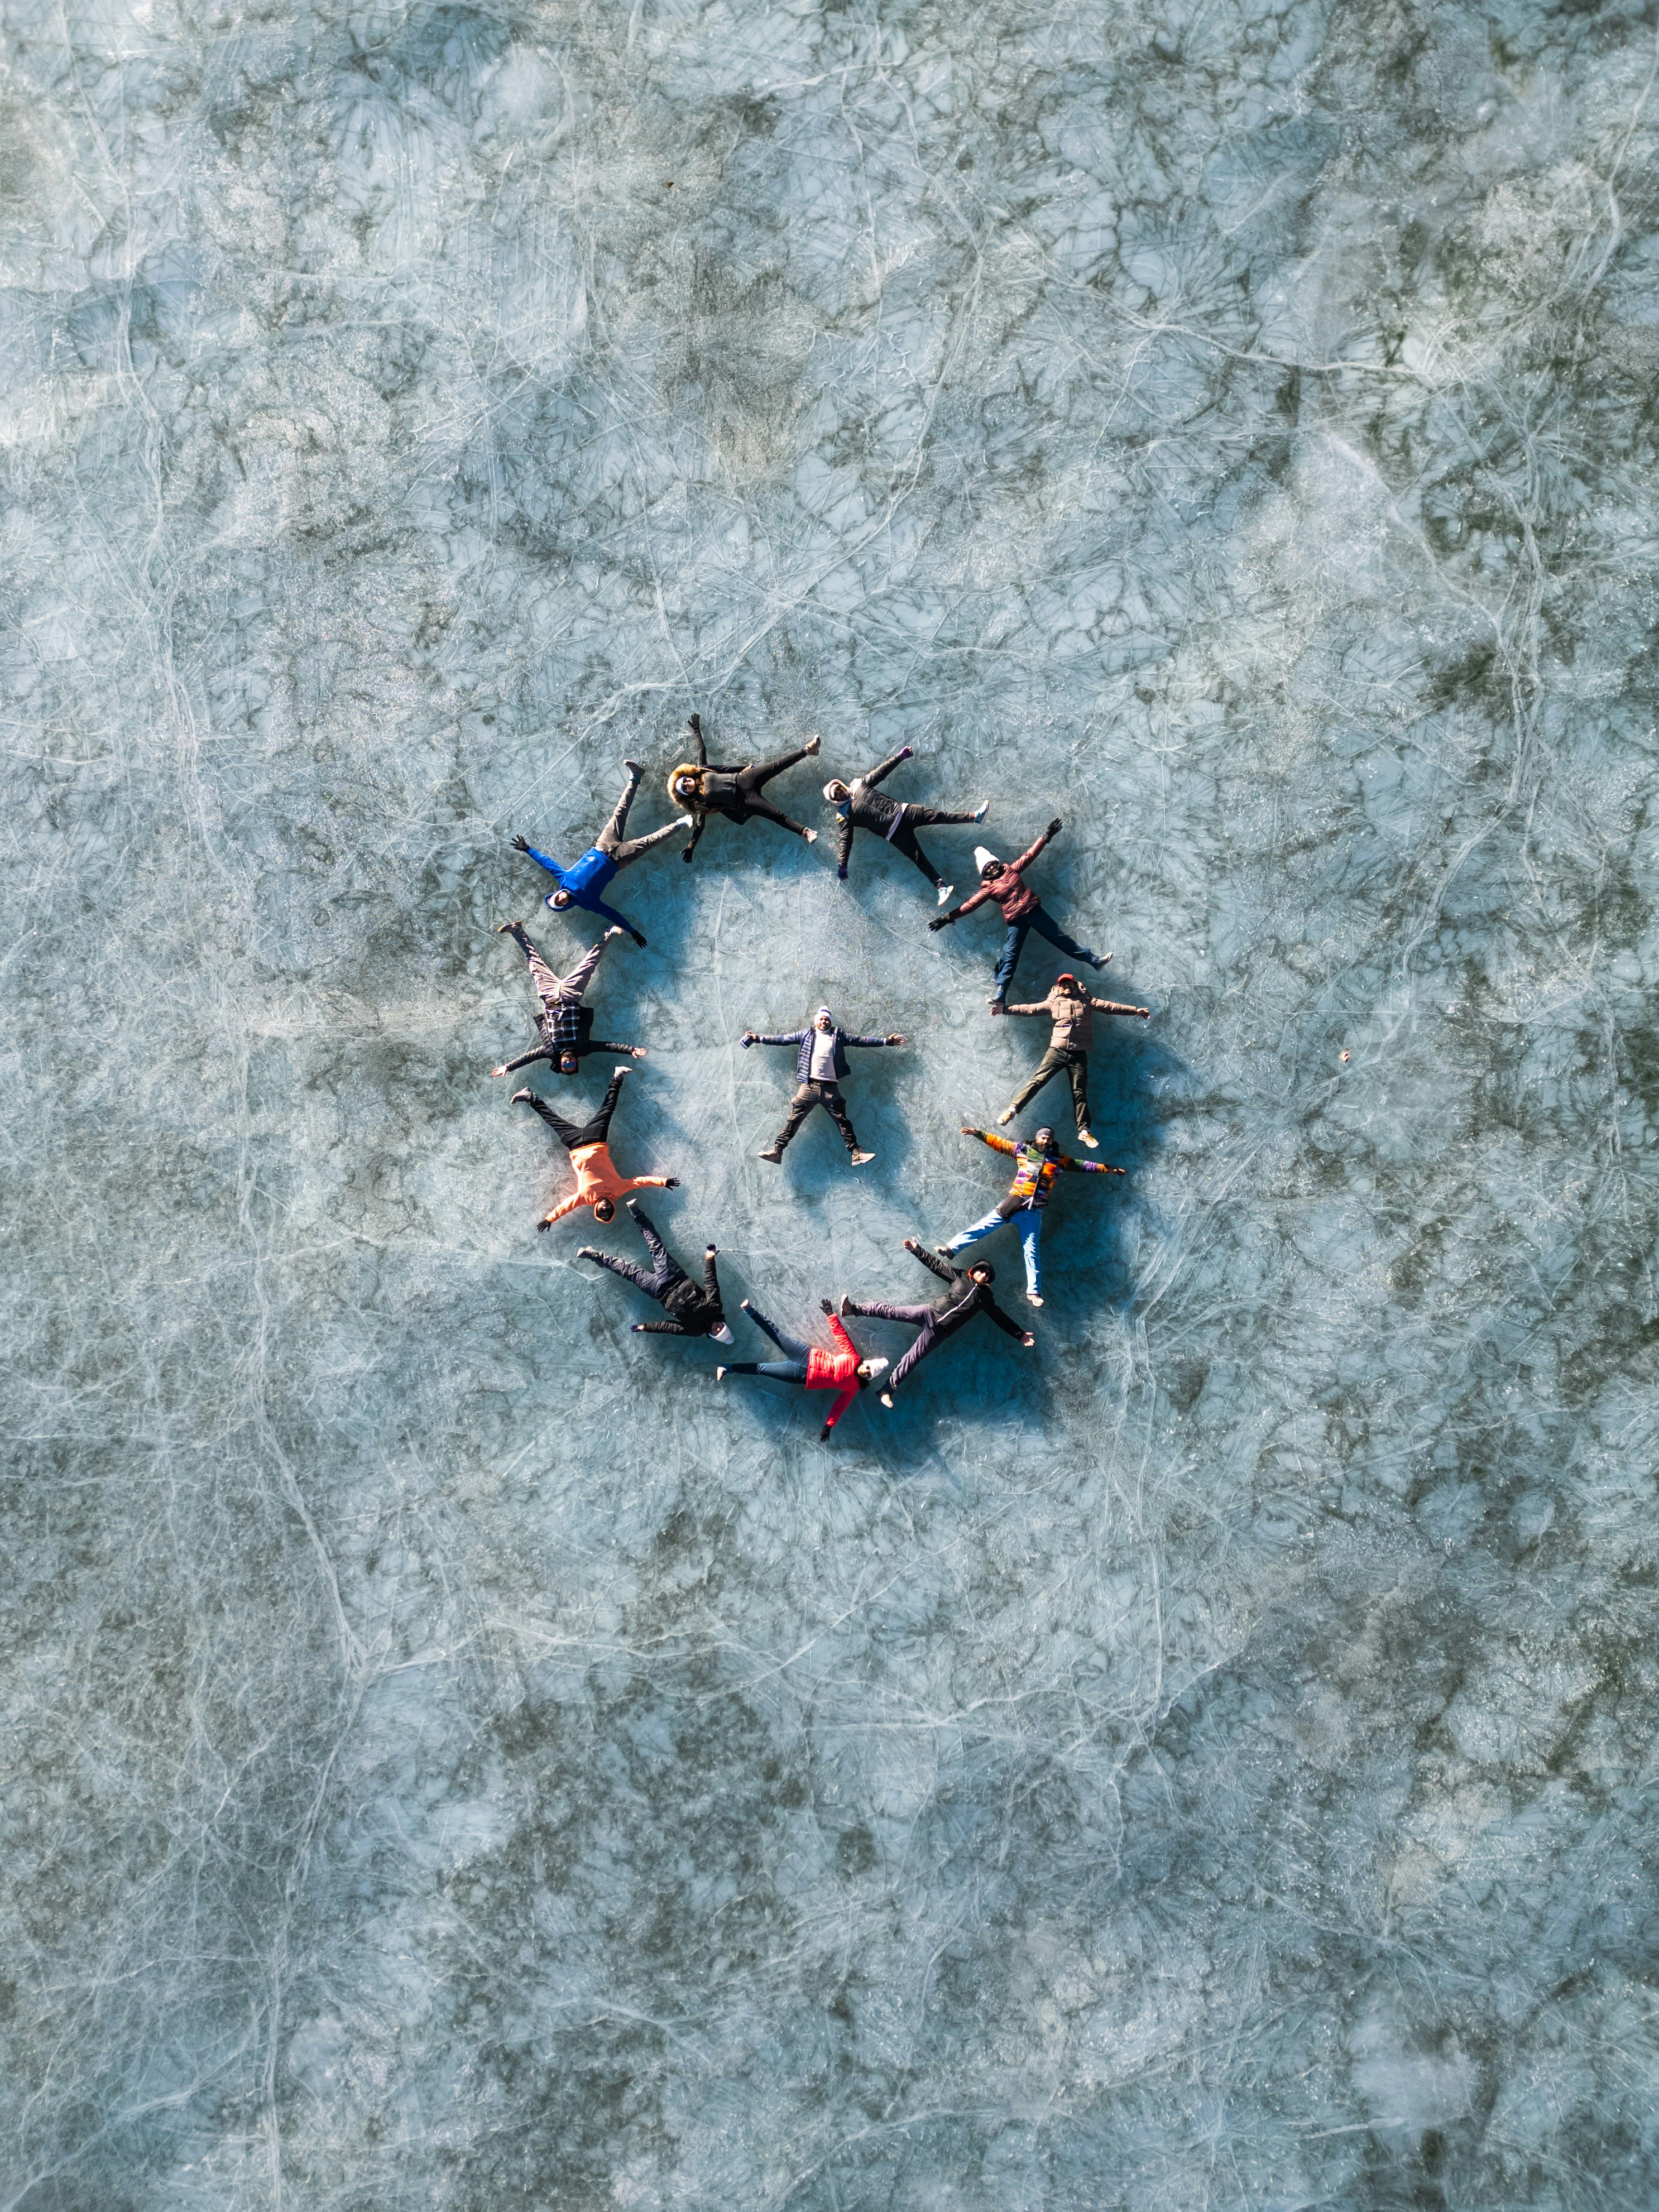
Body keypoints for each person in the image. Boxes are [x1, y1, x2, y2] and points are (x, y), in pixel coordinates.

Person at [928, 820, 1108, 1008]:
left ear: (996, 862)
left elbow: (1030, 855)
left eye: (992, 864)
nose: (991, 868)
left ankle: (1093, 960)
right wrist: (947, 918)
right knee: (1010, 954)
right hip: (1016, 921)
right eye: (986, 868)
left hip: (1034, 911)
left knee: (1061, 939)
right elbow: (970, 905)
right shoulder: (988, 889)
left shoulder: (1012, 870)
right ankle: (1001, 992)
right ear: (984, 873)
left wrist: (1046, 836)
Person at [512, 761, 691, 945]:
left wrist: (528, 850)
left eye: (557, 899)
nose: (561, 900)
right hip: (618, 859)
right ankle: (679, 824)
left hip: (602, 845)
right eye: (562, 904)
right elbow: (612, 914)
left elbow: (546, 863)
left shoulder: (563, 879)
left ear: (556, 894)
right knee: (649, 842)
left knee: (620, 812)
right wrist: (633, 931)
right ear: (566, 906)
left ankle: (636, 777)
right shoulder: (587, 903)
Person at [941, 1125, 1122, 1306]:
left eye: (1049, 1139)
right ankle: (951, 1248)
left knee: (1032, 1251)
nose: (1046, 1141)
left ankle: (1034, 1292)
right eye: (1043, 1138)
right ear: (1037, 1138)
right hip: (1013, 1204)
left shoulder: (1059, 1160)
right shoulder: (1023, 1150)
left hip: (1034, 1213)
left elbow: (1084, 1166)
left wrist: (1108, 1169)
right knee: (982, 1227)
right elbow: (999, 1143)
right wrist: (978, 1134)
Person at [841, 1240, 1033, 1406]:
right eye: (982, 1271)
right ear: (975, 1270)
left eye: (987, 1275)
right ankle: (853, 1310)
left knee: (912, 1359)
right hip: (928, 1313)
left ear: (988, 1280)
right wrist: (917, 1250)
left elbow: (1000, 1317)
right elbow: (937, 1266)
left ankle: (886, 1391)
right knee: (890, 1311)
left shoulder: (986, 1297)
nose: (984, 1275)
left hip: (940, 1332)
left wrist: (1020, 1334)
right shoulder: (959, 1276)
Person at [511, 1066, 675, 1229]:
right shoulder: (618, 1190)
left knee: (553, 1121)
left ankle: (530, 1097)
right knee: (608, 1109)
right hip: (596, 1140)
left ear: (597, 1210)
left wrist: (550, 1219)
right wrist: (663, 1182)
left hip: (575, 1145)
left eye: (602, 1212)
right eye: (609, 1211)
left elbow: (566, 1206)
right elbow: (640, 1182)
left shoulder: (585, 1197)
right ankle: (617, 1077)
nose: (605, 1209)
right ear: (612, 1207)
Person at [740, 1006, 905, 1167]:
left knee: (843, 1122)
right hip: (809, 1087)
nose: (824, 1022)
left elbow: (861, 1041)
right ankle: (777, 1151)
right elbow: (783, 1039)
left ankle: (857, 1154)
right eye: (821, 1019)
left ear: (830, 1022)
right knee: (794, 1119)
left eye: (827, 1019)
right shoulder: (806, 1034)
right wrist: (758, 1038)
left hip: (830, 1089)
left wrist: (887, 1042)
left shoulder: (838, 1035)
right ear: (817, 1020)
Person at [823, 743, 986, 904]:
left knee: (939, 816)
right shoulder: (843, 816)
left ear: (841, 784)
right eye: (836, 794)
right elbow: (845, 840)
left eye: (838, 788)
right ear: (834, 800)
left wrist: (899, 758)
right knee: (919, 859)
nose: (840, 792)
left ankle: (974, 817)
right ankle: (941, 887)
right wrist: (842, 864)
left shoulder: (858, 784)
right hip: (893, 833)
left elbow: (880, 773)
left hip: (904, 812)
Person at [998, 972, 1149, 1146]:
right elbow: (1029, 1009)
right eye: (1064, 984)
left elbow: (1110, 1007)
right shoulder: (1053, 1001)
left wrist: (1135, 1011)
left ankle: (1084, 1131)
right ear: (1059, 987)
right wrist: (1005, 1009)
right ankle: (1012, 1110)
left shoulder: (1086, 1000)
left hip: (1079, 1053)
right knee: (1038, 1080)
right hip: (1058, 1050)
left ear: (1075, 985)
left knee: (1080, 1092)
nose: (1067, 987)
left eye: (1070, 984)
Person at [489, 922, 648, 1079]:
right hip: (572, 995)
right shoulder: (583, 1048)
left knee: (534, 962)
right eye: (573, 1065)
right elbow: (607, 1046)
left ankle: (517, 930)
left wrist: (508, 1067)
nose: (569, 1062)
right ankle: (608, 935)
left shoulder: (550, 1051)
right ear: (577, 1062)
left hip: (549, 996)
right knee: (589, 964)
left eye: (566, 1066)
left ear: (561, 1063)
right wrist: (630, 1050)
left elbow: (529, 1057)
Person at [717, 1297, 889, 1440]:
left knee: (763, 1369)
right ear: (867, 1363)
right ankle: (750, 1311)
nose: (866, 1372)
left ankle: (728, 1368)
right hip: (805, 1355)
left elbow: (840, 1406)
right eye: (868, 1368)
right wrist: (830, 1314)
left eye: (868, 1375)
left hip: (801, 1376)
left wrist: (829, 1426)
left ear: (868, 1379)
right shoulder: (853, 1356)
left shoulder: (853, 1387)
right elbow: (840, 1336)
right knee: (776, 1334)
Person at [666, 713, 822, 861]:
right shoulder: (701, 804)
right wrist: (691, 845)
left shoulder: (702, 771)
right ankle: (806, 832)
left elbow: (702, 750)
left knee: (777, 765)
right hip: (745, 801)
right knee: (776, 815)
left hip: (744, 779)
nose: (687, 783)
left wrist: (696, 729)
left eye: (685, 780)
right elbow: (700, 826)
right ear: (686, 795)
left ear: (687, 776)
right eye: (684, 787)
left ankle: (808, 750)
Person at [578, 1199, 733, 1342]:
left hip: (659, 1292)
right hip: (675, 1277)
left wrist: (645, 1327)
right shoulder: (715, 1307)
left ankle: (594, 1256)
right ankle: (637, 1213)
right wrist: (709, 1259)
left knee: (628, 1272)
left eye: (717, 1333)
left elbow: (670, 1328)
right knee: (656, 1246)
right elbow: (711, 1283)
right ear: (724, 1324)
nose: (717, 1328)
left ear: (713, 1336)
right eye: (722, 1328)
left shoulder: (695, 1331)